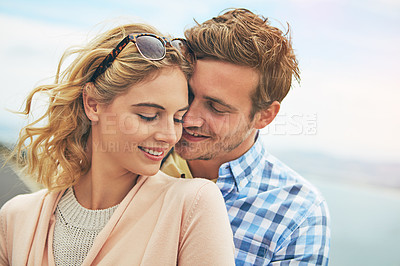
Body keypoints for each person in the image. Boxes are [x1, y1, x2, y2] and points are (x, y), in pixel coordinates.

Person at [0, 23, 235, 265]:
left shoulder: (193, 204)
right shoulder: (15, 218)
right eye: (147, 116)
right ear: (93, 104)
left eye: (177, 119)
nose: (169, 135)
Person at [161, 8, 330, 265]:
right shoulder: (135, 161)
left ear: (265, 116)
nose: (188, 119)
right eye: (187, 94)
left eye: (217, 108)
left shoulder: (299, 214)